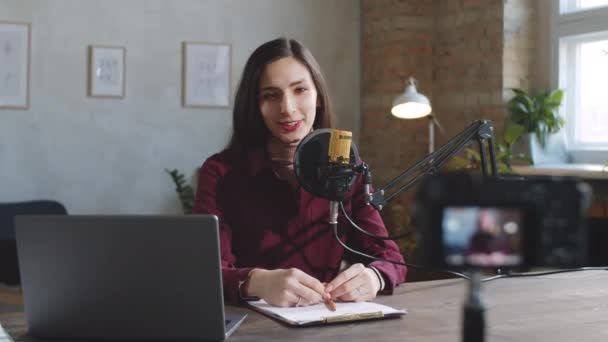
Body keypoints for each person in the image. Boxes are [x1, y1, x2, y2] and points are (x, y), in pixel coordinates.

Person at [193, 37, 406, 307]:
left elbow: (390, 257)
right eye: (270, 95)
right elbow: (203, 271)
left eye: (300, 90)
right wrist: (256, 282)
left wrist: (374, 277)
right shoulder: (220, 172)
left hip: (325, 324)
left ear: (318, 97)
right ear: (254, 105)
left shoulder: (344, 165)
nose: (288, 108)